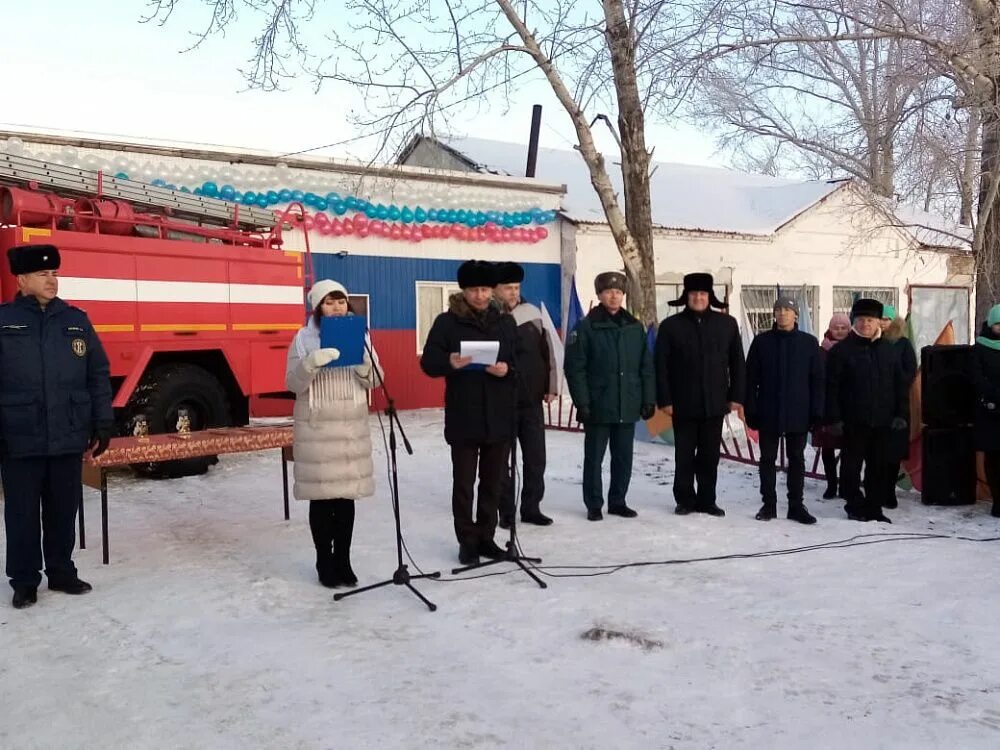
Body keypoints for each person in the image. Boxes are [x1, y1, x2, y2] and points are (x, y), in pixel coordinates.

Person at [1, 244, 113, 610]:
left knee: (64, 509)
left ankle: (62, 572)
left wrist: (102, 421)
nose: (52, 280)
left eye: (54, 274)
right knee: (20, 513)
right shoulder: (4, 321)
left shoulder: (76, 320)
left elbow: (96, 373)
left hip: (67, 432)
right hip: (19, 435)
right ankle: (24, 580)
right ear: (22, 279)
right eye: (43, 275)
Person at [285, 279, 381, 588]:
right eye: (329, 302)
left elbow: (376, 381)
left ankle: (344, 559)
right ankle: (324, 560)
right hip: (317, 425)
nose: (337, 307)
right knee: (322, 499)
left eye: (341, 301)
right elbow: (292, 383)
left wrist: (367, 367)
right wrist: (310, 364)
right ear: (318, 308)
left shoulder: (361, 334)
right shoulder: (302, 339)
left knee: (345, 498)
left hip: (350, 426)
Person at [420, 260, 517, 564]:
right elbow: (429, 363)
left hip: (498, 414)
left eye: (485, 289)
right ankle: (467, 540)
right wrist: (450, 361)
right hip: (464, 414)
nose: (480, 295)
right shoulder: (447, 322)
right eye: (474, 289)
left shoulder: (505, 322)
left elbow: (520, 363)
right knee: (464, 483)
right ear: (463, 290)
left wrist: (506, 369)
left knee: (493, 482)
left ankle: (486, 537)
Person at [564, 271, 655, 521]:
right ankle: (594, 503)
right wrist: (582, 402)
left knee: (623, 457)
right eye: (608, 292)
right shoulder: (585, 327)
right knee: (594, 457)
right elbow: (575, 368)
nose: (614, 296)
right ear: (599, 295)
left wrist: (648, 399)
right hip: (598, 404)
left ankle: (618, 500)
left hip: (627, 403)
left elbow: (645, 367)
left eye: (618, 292)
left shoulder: (634, 328)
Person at [655, 273, 745, 516]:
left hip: (715, 402)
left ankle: (707, 499)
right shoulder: (671, 326)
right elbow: (660, 366)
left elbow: (737, 362)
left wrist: (736, 396)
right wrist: (665, 400)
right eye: (693, 294)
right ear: (686, 296)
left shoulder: (727, 324)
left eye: (703, 294)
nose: (698, 298)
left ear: (709, 296)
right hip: (682, 403)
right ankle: (684, 499)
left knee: (710, 456)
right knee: (683, 455)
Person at [825, 298, 907, 523]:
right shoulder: (841, 351)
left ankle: (874, 507)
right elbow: (831, 387)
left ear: (879, 322)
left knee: (878, 467)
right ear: (854, 322)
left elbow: (900, 385)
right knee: (851, 467)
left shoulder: (889, 351)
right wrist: (834, 418)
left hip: (882, 421)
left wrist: (901, 414)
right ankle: (853, 504)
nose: (865, 325)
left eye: (870, 320)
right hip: (853, 421)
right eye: (860, 320)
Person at [744, 296, 823, 524]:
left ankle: (796, 506)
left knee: (796, 459)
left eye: (787, 310)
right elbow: (751, 379)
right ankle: (768, 504)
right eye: (778, 310)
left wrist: (817, 411)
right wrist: (751, 408)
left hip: (798, 411)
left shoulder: (808, 343)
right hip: (768, 410)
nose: (782, 314)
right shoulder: (762, 342)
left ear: (796, 315)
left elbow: (817, 380)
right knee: (767, 459)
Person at [493, 262, 558, 528]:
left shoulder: (533, 313)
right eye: (508, 288)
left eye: (516, 287)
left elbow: (549, 351)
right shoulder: (488, 316)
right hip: (500, 401)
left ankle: (532, 507)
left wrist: (551, 385)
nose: (513, 292)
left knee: (535, 458)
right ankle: (505, 511)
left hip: (531, 399)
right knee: (500, 461)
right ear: (495, 289)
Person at [879, 305, 917, 508]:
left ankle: (889, 491)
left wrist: (893, 379)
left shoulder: (902, 344)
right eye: (881, 318)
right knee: (877, 450)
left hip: (897, 404)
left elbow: (910, 371)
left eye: (887, 319)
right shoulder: (872, 342)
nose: (883, 322)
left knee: (893, 452)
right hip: (874, 404)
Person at [813, 314, 851, 499]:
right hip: (827, 404)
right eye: (837, 327)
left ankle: (845, 484)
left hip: (849, 406)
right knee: (827, 448)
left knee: (849, 449)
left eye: (844, 328)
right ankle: (831, 484)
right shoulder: (821, 350)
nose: (840, 331)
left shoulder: (855, 348)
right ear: (830, 329)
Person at [971, 304, 1000, 518]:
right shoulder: (980, 348)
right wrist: (992, 394)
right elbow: (976, 378)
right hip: (990, 411)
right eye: (999, 324)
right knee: (993, 458)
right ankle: (997, 500)